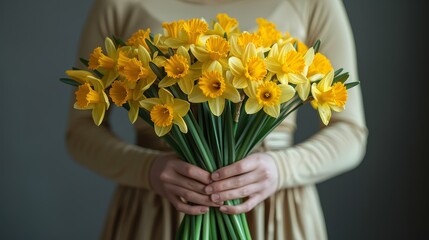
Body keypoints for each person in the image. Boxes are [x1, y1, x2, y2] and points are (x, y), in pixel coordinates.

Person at [65, 0, 368, 239]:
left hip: (273, 208)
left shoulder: (313, 2)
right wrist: (146, 169)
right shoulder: (116, 2)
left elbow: (350, 133)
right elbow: (80, 133)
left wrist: (282, 168)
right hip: (158, 204)